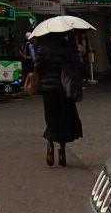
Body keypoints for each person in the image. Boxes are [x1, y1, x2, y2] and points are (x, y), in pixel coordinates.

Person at [35, 31, 83, 167]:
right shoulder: (66, 47)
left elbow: (38, 67)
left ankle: (50, 144)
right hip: (63, 89)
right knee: (63, 118)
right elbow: (75, 65)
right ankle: (62, 150)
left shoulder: (43, 49)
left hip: (48, 89)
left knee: (51, 117)